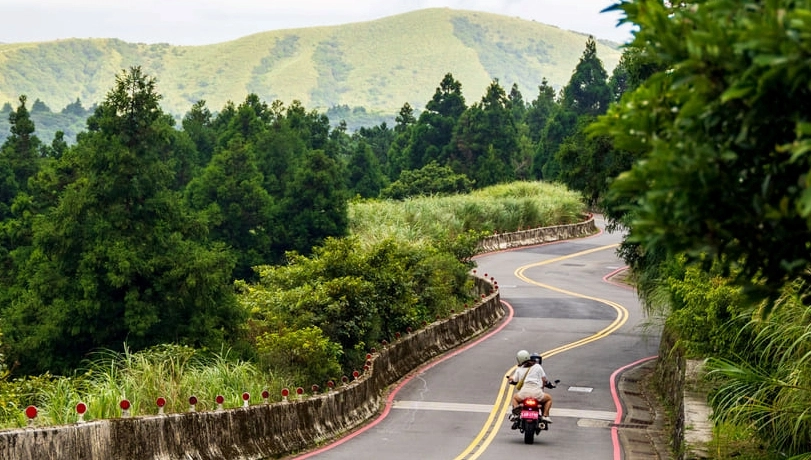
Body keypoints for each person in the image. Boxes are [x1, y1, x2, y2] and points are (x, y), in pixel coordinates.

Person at [507, 349, 553, 423]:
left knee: (515, 398)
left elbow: (514, 379)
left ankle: (516, 414)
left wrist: (510, 378)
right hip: (537, 393)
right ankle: (545, 416)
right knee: (549, 399)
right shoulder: (537, 366)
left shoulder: (520, 369)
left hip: (524, 393)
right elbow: (544, 379)